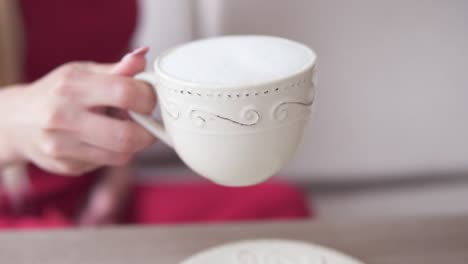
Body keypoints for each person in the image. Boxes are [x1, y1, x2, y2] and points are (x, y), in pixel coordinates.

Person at [0, 0, 310, 229]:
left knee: (279, 206)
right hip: (11, 214)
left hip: (96, 197)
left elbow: (115, 80)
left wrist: (115, 179)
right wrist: (10, 121)